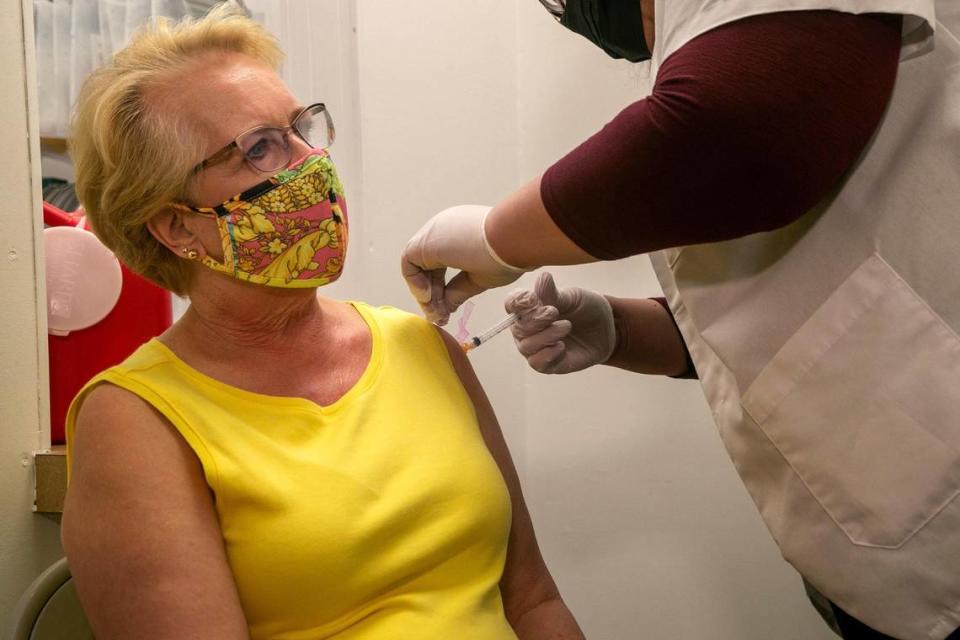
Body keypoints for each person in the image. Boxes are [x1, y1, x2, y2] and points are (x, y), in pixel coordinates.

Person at [401, 1, 960, 639]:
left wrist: (498, 237)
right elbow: (815, 302)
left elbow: (745, 126)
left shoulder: (756, 80)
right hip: (881, 556)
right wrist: (623, 330)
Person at [61, 6, 584, 639]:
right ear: (177, 228)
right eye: (261, 148)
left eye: (302, 128)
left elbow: (533, 601)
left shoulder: (420, 344)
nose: (313, 163)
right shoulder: (136, 419)